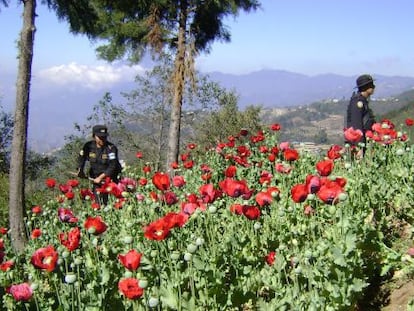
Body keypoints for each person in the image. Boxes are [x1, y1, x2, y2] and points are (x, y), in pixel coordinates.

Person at [77, 125, 122, 205]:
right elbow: (81, 158)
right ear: (94, 136)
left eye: (104, 137)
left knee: (114, 203)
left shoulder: (111, 148)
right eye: (100, 137)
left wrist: (101, 177)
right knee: (99, 204)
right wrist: (80, 170)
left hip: (111, 180)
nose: (102, 139)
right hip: (96, 181)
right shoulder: (88, 146)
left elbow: (113, 165)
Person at [345, 74, 376, 156]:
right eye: (371, 85)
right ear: (366, 87)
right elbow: (357, 125)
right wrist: (359, 147)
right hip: (358, 145)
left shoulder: (363, 101)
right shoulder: (358, 102)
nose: (374, 87)